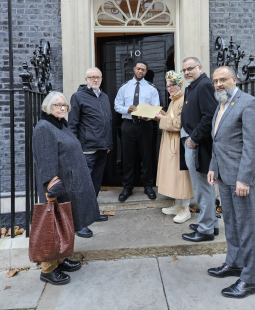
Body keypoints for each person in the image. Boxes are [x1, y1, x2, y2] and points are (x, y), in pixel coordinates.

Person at [32, 91, 100, 285]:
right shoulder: (44, 128)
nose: (63, 108)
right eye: (58, 105)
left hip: (71, 185)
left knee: (65, 223)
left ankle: (61, 260)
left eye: (65, 105)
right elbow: (45, 161)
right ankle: (48, 269)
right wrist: (51, 186)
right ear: (48, 107)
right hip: (58, 187)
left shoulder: (60, 124)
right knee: (53, 226)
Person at [207, 66, 255, 299]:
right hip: (223, 175)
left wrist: (244, 179)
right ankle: (235, 263)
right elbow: (218, 141)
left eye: (223, 80)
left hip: (240, 179)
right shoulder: (220, 105)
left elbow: (253, 145)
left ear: (234, 80)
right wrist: (212, 167)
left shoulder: (249, 103)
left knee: (246, 228)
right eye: (215, 81)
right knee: (230, 222)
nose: (219, 84)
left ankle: (250, 280)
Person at [180, 57, 219, 242]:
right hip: (193, 142)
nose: (187, 72)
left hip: (198, 145)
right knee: (204, 187)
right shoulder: (193, 86)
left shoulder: (203, 85)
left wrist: (193, 139)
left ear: (200, 67)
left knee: (202, 187)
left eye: (190, 68)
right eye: (184, 70)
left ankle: (205, 230)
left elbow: (210, 115)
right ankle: (212, 224)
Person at [68, 67, 112, 222]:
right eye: (92, 77)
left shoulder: (105, 97)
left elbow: (108, 122)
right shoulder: (78, 97)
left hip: (102, 147)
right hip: (86, 149)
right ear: (86, 79)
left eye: (98, 77)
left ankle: (92, 213)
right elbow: (72, 124)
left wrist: (108, 144)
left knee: (96, 183)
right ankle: (80, 220)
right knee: (83, 185)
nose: (95, 80)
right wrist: (75, 147)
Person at [114, 60, 160, 202]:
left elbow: (156, 107)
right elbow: (117, 105)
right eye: (138, 68)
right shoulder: (124, 87)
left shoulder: (151, 88)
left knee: (147, 156)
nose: (140, 71)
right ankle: (127, 187)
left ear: (146, 72)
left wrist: (148, 114)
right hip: (128, 125)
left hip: (145, 126)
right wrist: (126, 109)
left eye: (143, 70)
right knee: (127, 157)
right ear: (134, 69)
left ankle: (148, 186)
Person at [155, 71, 193, 223]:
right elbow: (171, 118)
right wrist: (161, 113)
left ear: (179, 85)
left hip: (178, 143)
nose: (169, 88)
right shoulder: (173, 100)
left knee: (181, 176)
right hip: (170, 142)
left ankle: (186, 209)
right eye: (168, 86)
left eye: (172, 85)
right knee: (173, 176)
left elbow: (179, 123)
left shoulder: (184, 99)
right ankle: (178, 205)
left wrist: (161, 118)